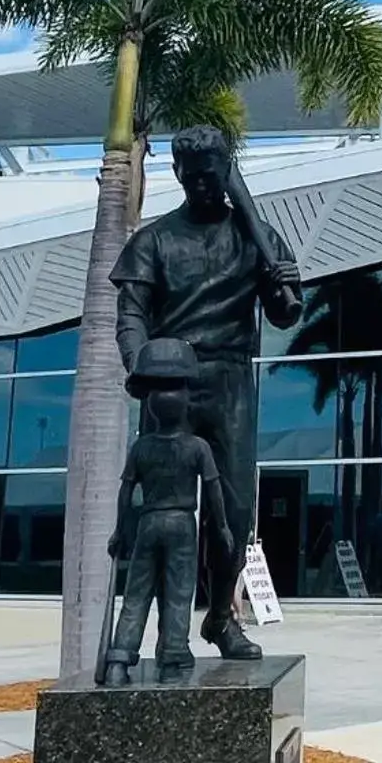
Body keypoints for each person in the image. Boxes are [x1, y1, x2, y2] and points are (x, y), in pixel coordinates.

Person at [113, 126, 302, 661]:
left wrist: (283, 279)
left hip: (230, 381)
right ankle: (153, 638)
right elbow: (131, 316)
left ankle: (221, 616)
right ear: (176, 175)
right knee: (162, 516)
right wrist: (143, 370)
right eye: (191, 177)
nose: (201, 186)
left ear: (226, 174)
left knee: (234, 514)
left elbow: (286, 313)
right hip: (169, 383)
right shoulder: (152, 241)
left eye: (211, 176)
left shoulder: (256, 235)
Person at [103, 338, 228, 685]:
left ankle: (119, 660)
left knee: (136, 594)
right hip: (181, 523)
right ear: (185, 405)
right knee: (178, 591)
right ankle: (173, 657)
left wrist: (119, 530)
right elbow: (214, 488)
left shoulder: (142, 446)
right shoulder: (197, 447)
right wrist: (222, 527)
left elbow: (127, 489)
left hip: (148, 522)